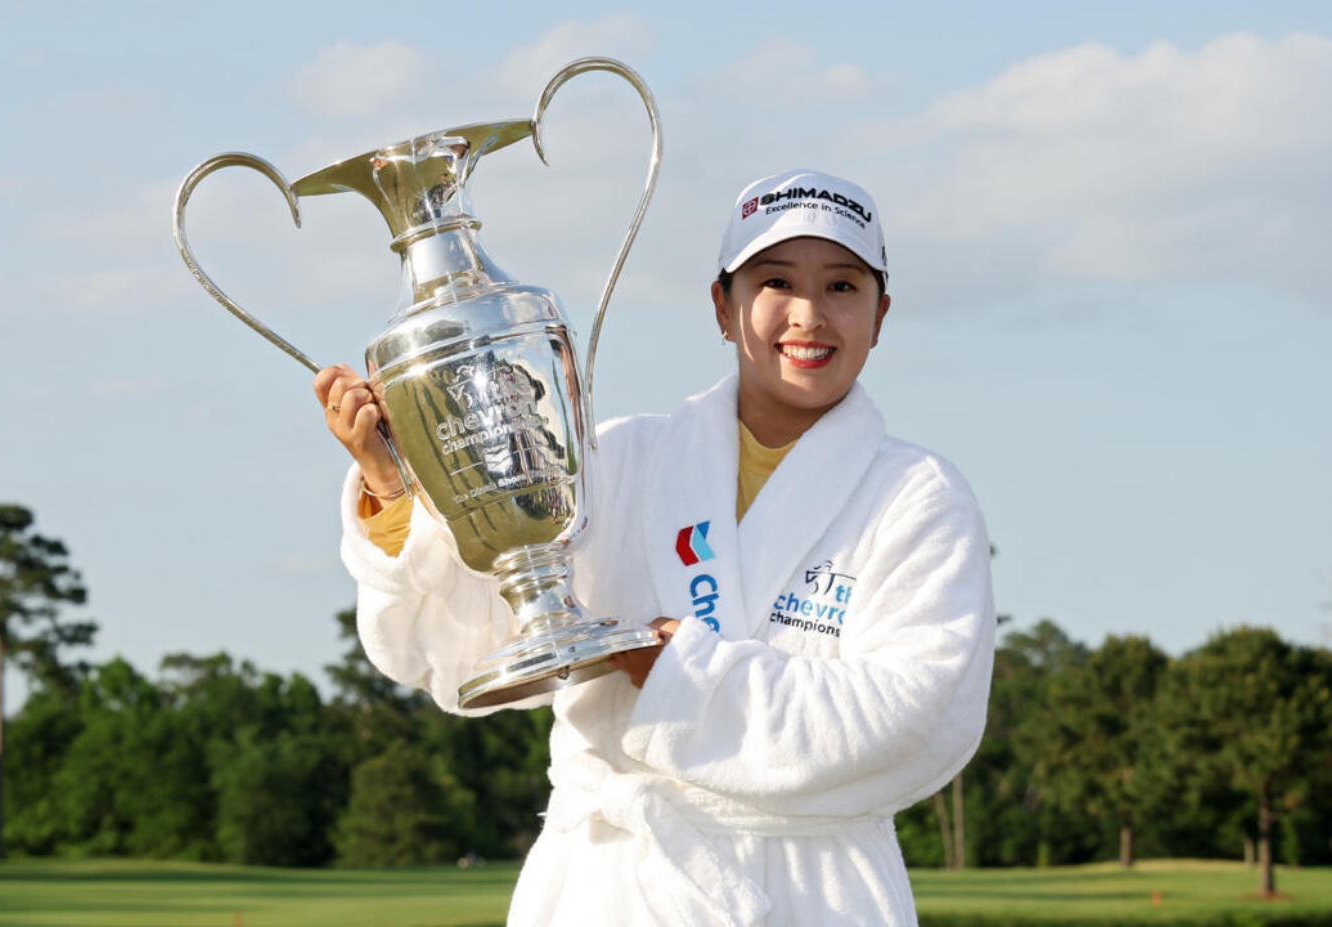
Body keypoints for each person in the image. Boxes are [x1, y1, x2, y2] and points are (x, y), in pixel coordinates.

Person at [315, 168, 996, 927]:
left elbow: (919, 721)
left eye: (842, 286)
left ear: (880, 314)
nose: (809, 315)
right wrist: (394, 489)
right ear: (723, 307)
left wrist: (683, 675)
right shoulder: (617, 461)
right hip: (609, 887)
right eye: (775, 282)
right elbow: (455, 652)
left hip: (813, 892)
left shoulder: (917, 497)